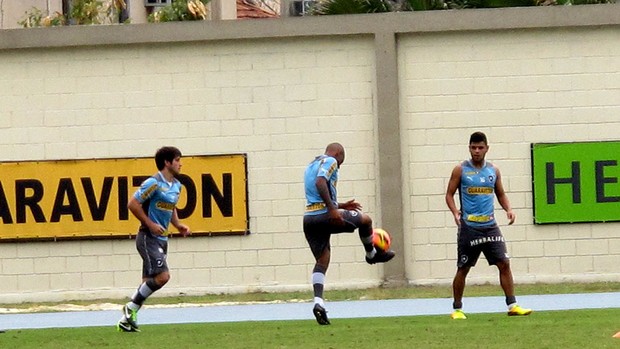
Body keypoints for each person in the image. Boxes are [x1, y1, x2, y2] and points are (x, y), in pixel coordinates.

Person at [303, 142, 395, 325]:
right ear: (338, 154)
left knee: (322, 262)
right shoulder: (331, 161)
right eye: (341, 161)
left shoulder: (311, 165)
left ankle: (318, 303)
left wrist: (341, 206)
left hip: (310, 219)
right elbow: (320, 182)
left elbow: (315, 194)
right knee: (366, 220)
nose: (340, 166)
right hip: (325, 215)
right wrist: (333, 210)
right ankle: (372, 255)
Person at [445, 131, 531, 320]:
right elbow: (449, 194)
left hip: (490, 225)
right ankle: (457, 308)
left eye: (480, 148)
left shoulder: (493, 170)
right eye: (473, 147)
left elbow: (500, 193)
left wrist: (508, 209)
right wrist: (455, 212)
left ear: (486, 149)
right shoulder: (460, 170)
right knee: (464, 267)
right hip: (469, 227)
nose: (476, 151)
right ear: (469, 148)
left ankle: (513, 305)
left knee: (504, 263)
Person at [117, 146, 191, 332]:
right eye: (177, 160)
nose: (180, 164)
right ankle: (131, 307)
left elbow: (171, 207)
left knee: (147, 283)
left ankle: (126, 320)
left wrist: (178, 224)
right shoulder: (153, 183)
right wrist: (150, 224)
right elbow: (132, 204)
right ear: (167, 162)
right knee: (163, 277)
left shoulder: (176, 185)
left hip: (162, 239)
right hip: (147, 237)